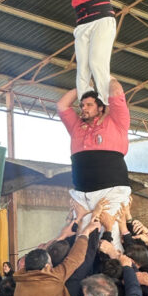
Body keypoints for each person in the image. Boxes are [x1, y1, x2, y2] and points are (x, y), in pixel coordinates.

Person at [57, 80, 130, 240]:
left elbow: (117, 91)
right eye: (82, 105)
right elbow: (62, 105)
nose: (84, 108)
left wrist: (102, 75)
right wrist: (82, 85)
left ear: (101, 107)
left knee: (110, 238)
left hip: (111, 190)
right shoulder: (76, 126)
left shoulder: (116, 122)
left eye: (89, 105)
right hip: (82, 192)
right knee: (82, 240)